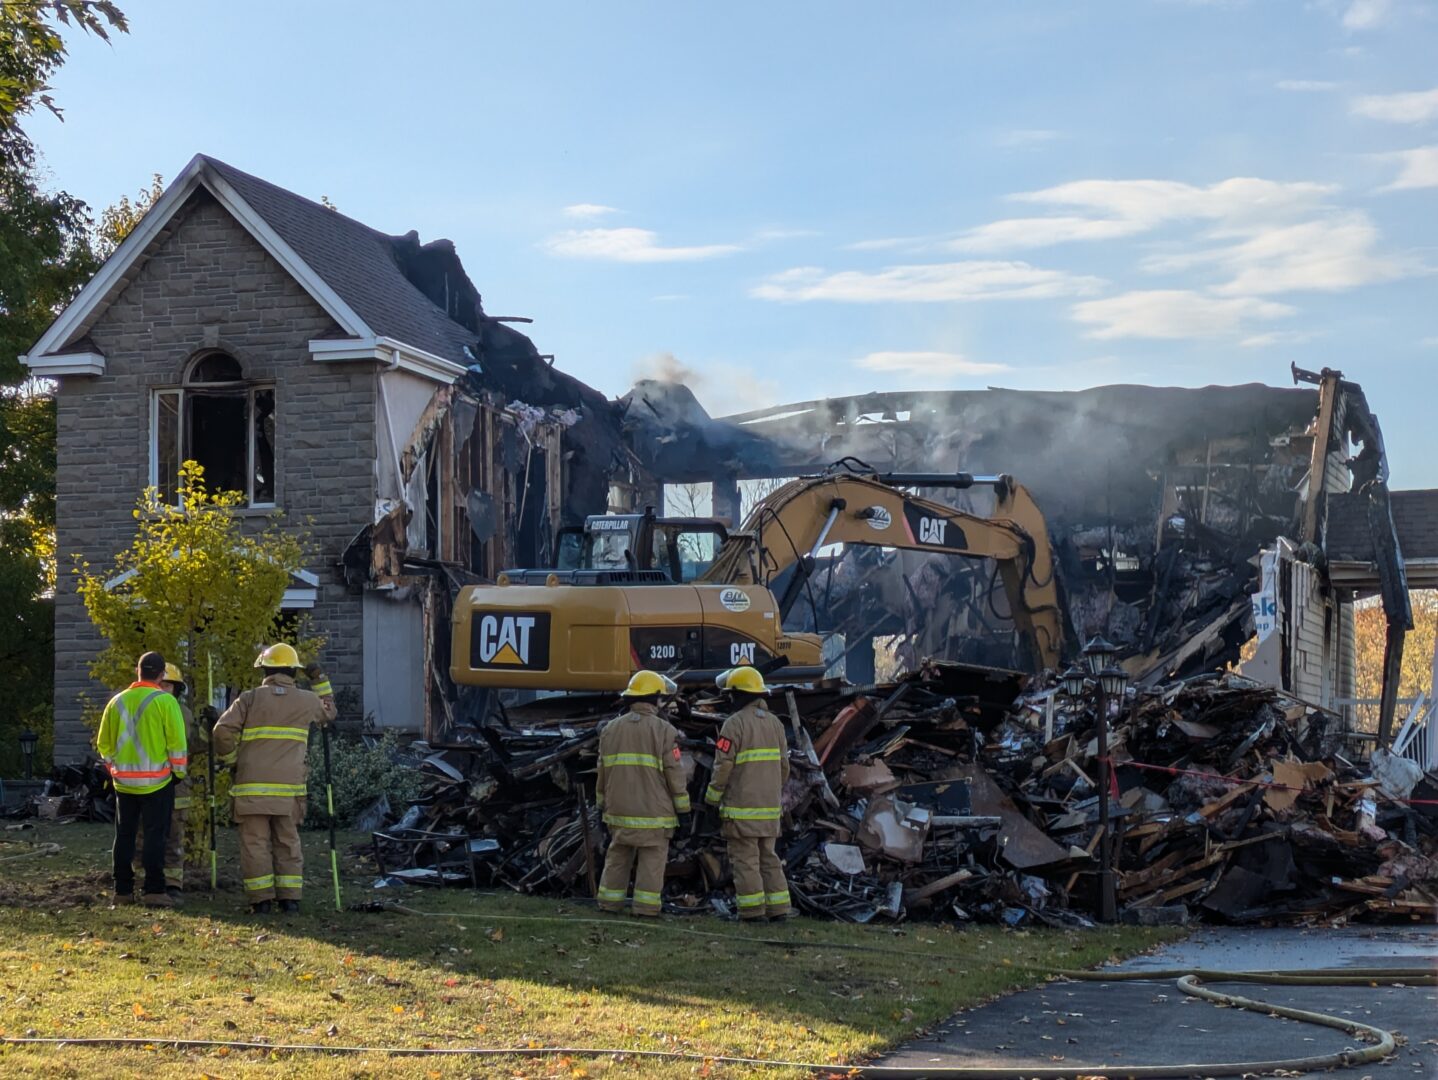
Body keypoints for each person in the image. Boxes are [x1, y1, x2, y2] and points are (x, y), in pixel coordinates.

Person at [211, 643, 335, 914]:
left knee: (255, 844)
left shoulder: (249, 699)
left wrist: (232, 761)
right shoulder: (307, 700)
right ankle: (290, 900)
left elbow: (221, 733)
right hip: (289, 790)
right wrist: (320, 681)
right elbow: (329, 713)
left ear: (265, 670)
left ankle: (261, 902)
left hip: (251, 787)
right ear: (293, 671)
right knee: (288, 841)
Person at [96, 651, 189, 908]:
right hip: (158, 783)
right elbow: (177, 746)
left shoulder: (116, 702)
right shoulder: (166, 702)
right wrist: (177, 774)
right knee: (155, 836)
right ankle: (154, 890)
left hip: (124, 783)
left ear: (137, 671)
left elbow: (103, 744)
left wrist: (115, 768)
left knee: (124, 836)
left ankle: (123, 891)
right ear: (161, 675)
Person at [594, 670, 689, 917]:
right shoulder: (665, 731)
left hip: (618, 811)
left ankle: (608, 904)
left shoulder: (610, 730)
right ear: (655, 697)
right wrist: (683, 810)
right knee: (652, 859)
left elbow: (602, 773)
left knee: (617, 856)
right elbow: (674, 775)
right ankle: (645, 909)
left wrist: (601, 805)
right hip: (654, 814)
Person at [705, 666, 792, 921]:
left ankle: (753, 912)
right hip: (769, 809)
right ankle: (779, 910)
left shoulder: (733, 725)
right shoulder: (776, 724)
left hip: (740, 810)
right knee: (769, 858)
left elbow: (723, 767)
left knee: (745, 860)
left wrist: (712, 799)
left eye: (731, 694)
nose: (729, 699)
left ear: (739, 694)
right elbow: (784, 767)